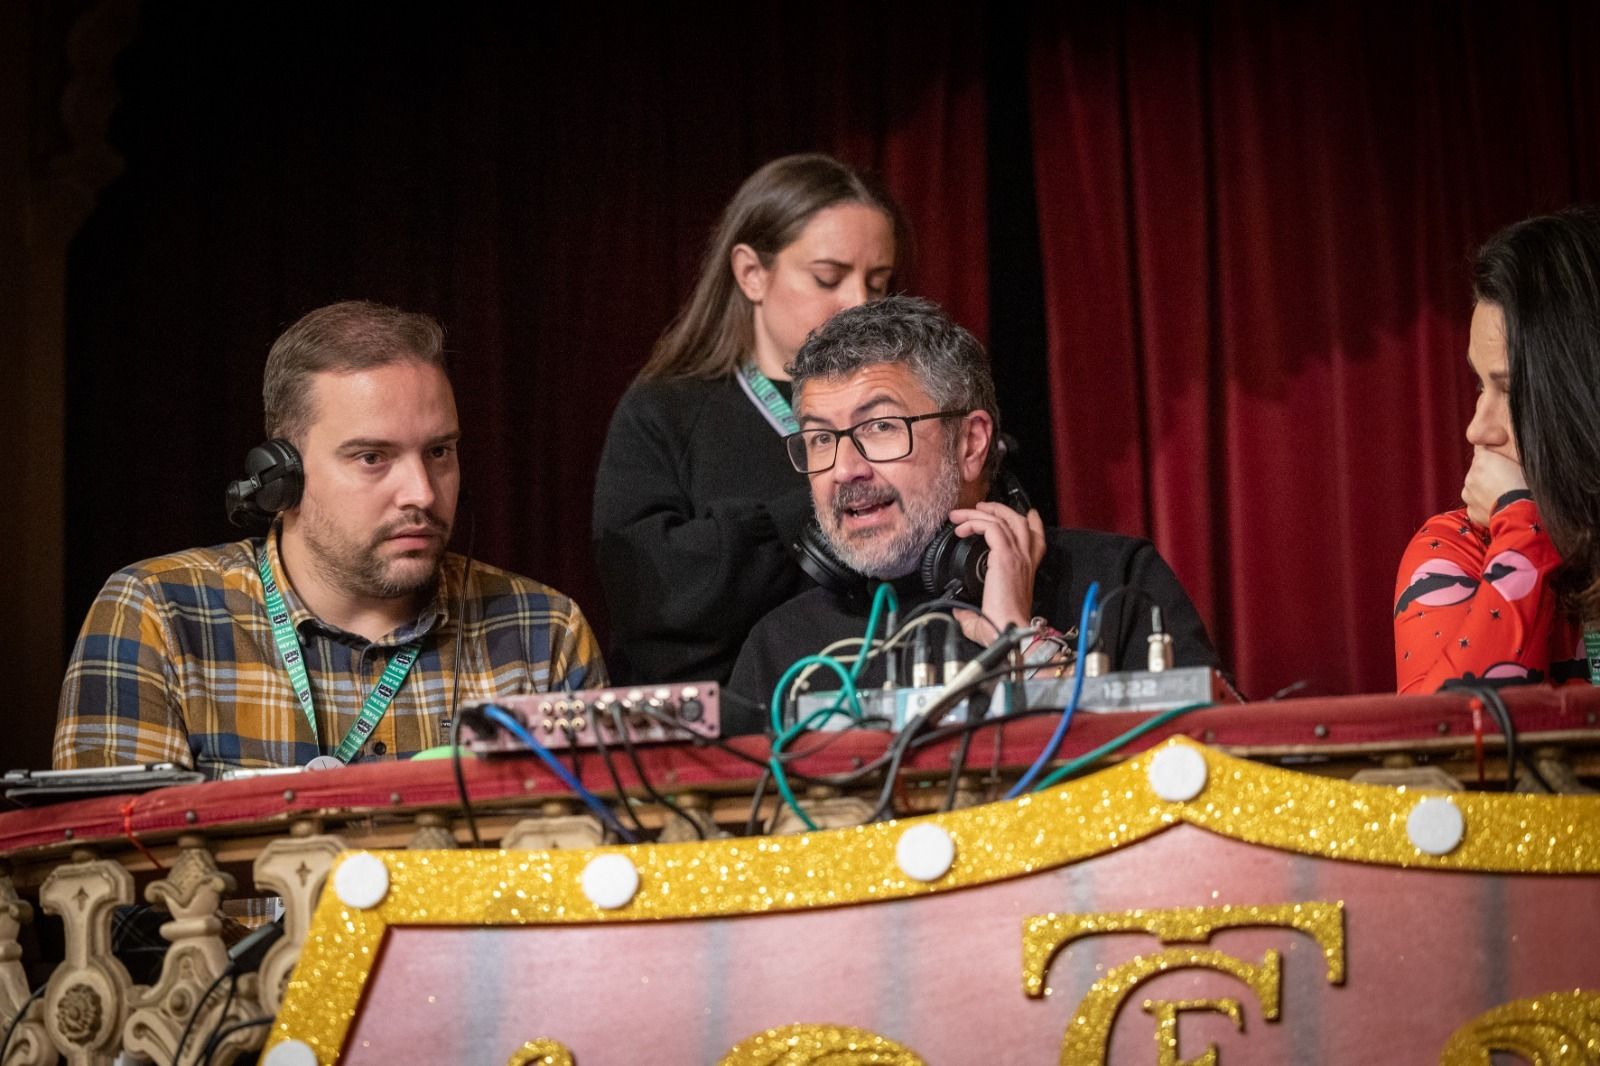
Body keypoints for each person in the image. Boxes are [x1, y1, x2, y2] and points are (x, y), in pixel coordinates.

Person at [55, 301, 605, 776]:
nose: (422, 493)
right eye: (372, 457)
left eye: (439, 452)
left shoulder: (544, 633)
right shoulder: (158, 617)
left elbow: (601, 870)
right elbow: (114, 883)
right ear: (280, 476)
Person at [726, 295, 1219, 733]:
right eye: (819, 438)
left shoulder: (1118, 584)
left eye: (879, 426)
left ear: (970, 443)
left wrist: (1021, 643)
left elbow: (1192, 773)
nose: (845, 469)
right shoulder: (780, 648)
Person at [592, 154, 901, 686]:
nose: (859, 305)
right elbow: (651, 598)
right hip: (728, 732)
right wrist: (813, 507)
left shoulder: (910, 407)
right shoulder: (665, 411)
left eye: (877, 283)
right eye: (829, 278)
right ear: (752, 273)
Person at [1394, 206, 1600, 692]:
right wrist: (1525, 530)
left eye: (1510, 390)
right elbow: (1447, 745)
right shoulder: (1457, 548)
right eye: (1480, 385)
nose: (1476, 429)